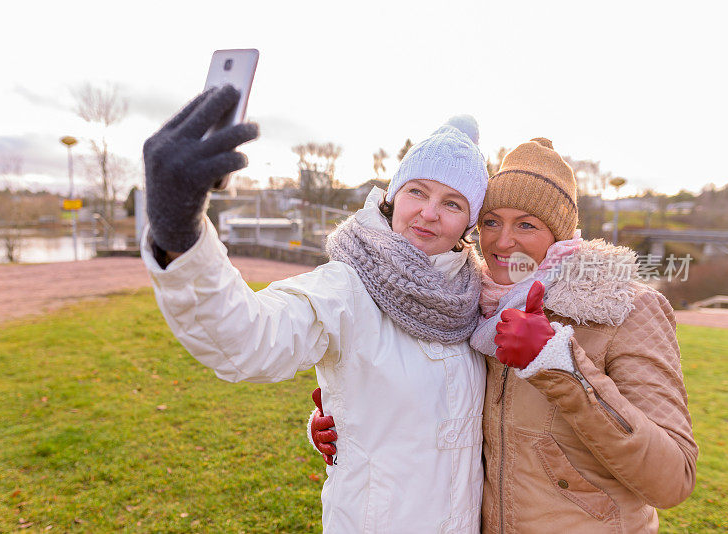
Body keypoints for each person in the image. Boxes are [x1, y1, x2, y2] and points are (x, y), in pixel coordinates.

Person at [140, 84, 491, 533]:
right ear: (392, 195)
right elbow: (250, 337)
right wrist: (179, 234)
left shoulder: (476, 299)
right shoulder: (346, 288)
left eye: (452, 203)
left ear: (470, 222)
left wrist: (343, 420)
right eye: (417, 192)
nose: (428, 213)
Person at [312, 138, 698, 532]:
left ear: (560, 234)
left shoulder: (625, 308)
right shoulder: (469, 306)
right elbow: (440, 405)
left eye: (527, 224)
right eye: (491, 221)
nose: (502, 241)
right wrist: (344, 416)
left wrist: (559, 364)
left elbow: (674, 479)